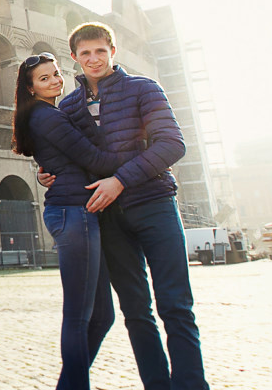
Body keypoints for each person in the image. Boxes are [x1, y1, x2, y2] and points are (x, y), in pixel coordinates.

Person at [41, 22, 208, 389]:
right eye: (85, 53)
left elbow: (172, 145)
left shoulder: (143, 89)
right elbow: (66, 157)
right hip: (108, 217)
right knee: (135, 311)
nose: (94, 59)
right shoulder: (68, 107)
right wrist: (48, 174)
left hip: (155, 204)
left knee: (176, 306)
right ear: (74, 58)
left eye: (100, 51)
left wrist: (121, 180)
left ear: (112, 51)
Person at [12, 52, 119, 389]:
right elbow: (94, 159)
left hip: (79, 212)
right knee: (79, 317)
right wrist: (142, 159)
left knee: (102, 316)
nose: (55, 81)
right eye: (44, 79)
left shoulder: (45, 114)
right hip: (74, 214)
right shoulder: (47, 118)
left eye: (56, 73)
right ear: (31, 89)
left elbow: (66, 158)